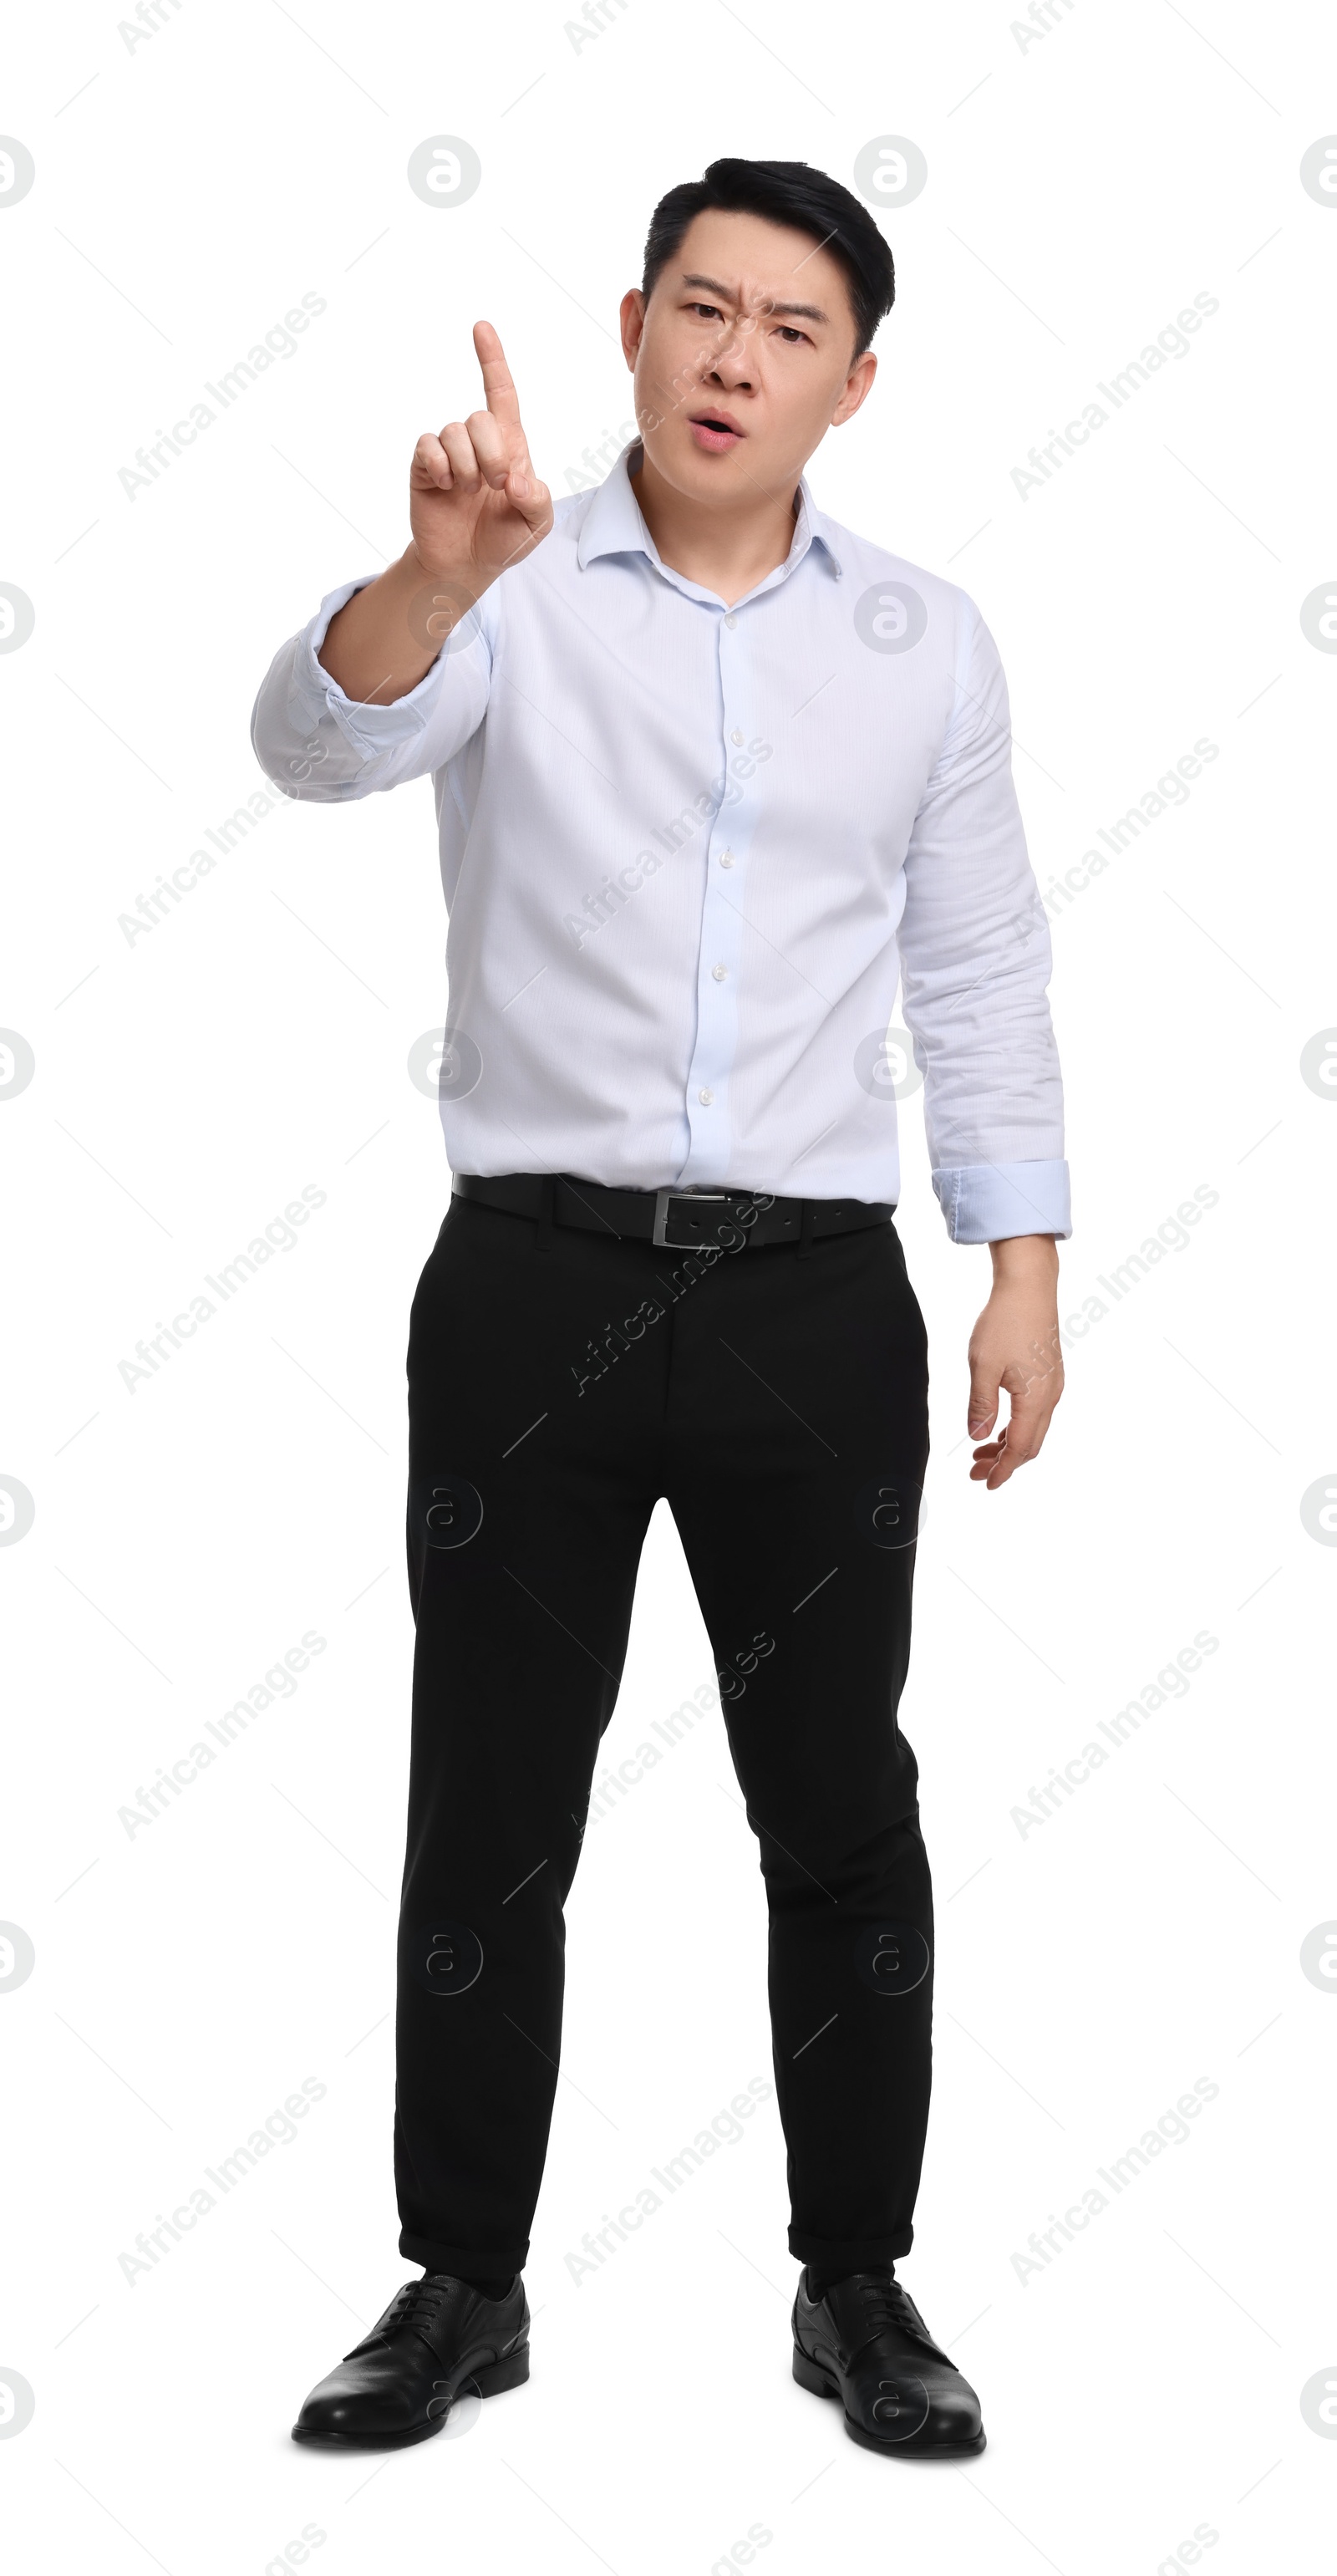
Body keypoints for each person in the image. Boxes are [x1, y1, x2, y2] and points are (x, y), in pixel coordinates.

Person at [252, 154, 1069, 2462]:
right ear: (632, 328)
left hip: (817, 1305)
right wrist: (425, 574)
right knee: (490, 1804)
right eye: (701, 310)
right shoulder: (507, 586)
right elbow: (314, 745)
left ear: (855, 381)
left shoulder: (925, 642)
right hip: (531, 1284)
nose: (734, 359)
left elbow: (981, 958)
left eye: (788, 328)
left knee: (841, 1797)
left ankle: (859, 2278)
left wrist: (1020, 1261)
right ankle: (461, 2277)